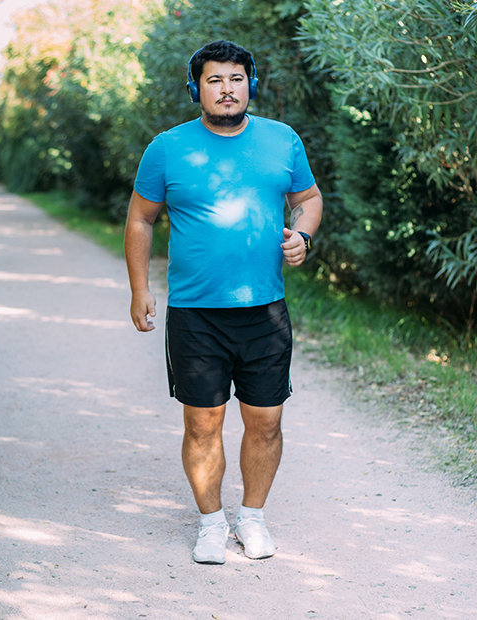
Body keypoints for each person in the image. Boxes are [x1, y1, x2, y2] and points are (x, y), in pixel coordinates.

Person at [124, 40, 323, 565]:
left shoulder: (283, 141)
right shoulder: (167, 148)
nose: (226, 89)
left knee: (266, 422)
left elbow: (308, 199)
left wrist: (303, 236)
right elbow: (141, 218)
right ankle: (211, 524)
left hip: (265, 311)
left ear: (250, 85)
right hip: (195, 314)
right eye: (214, 80)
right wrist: (140, 288)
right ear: (196, 89)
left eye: (236, 78)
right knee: (202, 424)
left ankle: (252, 517)